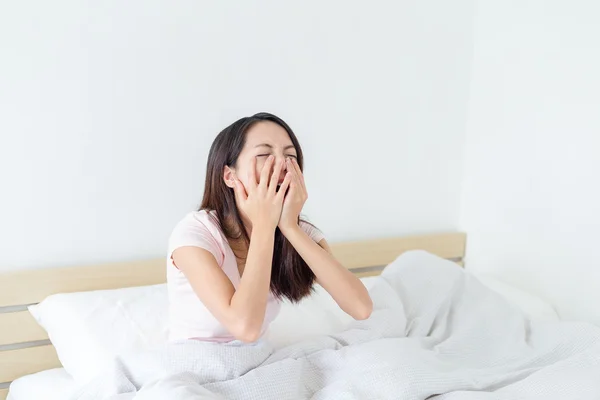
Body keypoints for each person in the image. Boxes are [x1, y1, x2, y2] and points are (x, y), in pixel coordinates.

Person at [167, 112, 373, 343]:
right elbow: (245, 328)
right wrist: (264, 225)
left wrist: (290, 228)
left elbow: (360, 308)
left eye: (291, 156)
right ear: (229, 176)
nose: (282, 165)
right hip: (193, 364)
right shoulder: (195, 232)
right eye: (264, 154)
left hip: (259, 363)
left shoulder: (296, 230)